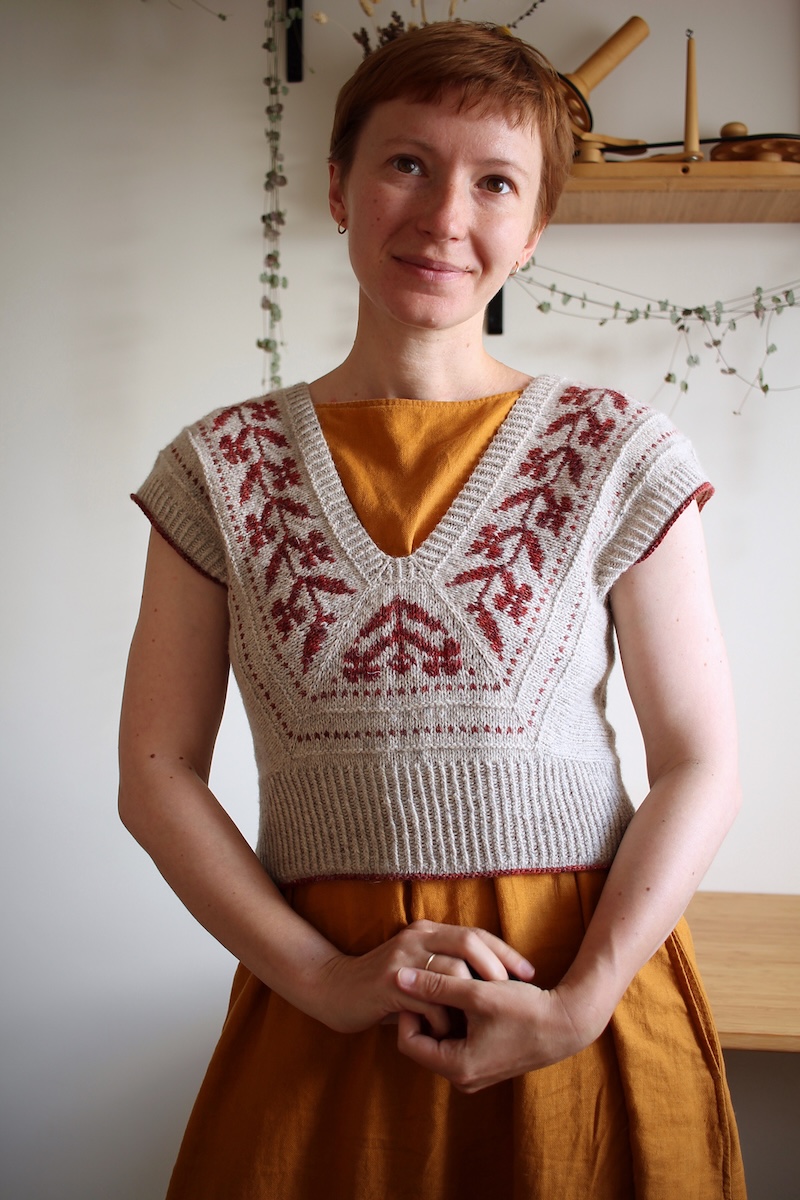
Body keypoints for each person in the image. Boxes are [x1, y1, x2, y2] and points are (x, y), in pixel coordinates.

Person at [119, 21, 746, 1200]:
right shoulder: (219, 469)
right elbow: (154, 772)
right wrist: (321, 980)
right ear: (339, 188)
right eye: (406, 162)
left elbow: (698, 761)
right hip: (327, 1012)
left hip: (575, 1001)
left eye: (494, 181)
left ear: (533, 228)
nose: (444, 213)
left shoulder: (616, 452)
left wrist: (575, 1005)